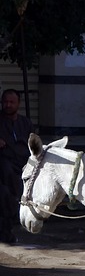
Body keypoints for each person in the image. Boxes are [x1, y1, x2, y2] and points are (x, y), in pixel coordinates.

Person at [0, 89, 34, 243]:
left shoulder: (25, 123)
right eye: (5, 102)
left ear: (18, 104)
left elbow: (31, 144)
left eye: (11, 102)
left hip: (23, 163)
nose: (8, 105)